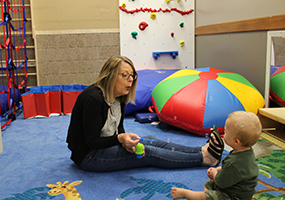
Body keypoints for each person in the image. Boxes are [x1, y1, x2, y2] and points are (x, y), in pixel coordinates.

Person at [66, 55, 224, 172]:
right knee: (148, 151)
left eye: (132, 75)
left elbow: (118, 129)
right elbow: (92, 142)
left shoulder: (119, 97)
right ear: (110, 76)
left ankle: (199, 150)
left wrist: (124, 141)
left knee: (151, 140)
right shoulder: (93, 99)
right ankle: (204, 159)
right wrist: (120, 139)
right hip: (89, 156)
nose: (130, 80)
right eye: (125, 75)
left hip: (106, 146)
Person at [171, 111, 262, 200]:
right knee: (209, 184)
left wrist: (214, 172)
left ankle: (186, 194)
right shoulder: (247, 152)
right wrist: (219, 169)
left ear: (236, 142)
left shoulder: (234, 162)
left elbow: (220, 182)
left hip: (234, 196)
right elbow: (236, 170)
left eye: (226, 132)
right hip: (236, 189)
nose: (223, 134)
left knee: (207, 195)